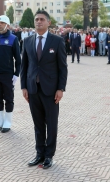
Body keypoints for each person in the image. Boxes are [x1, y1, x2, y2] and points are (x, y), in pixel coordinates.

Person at [20, 10, 68, 169]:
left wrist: (61, 88)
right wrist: (24, 87)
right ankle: (39, 154)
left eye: (42, 19)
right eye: (36, 19)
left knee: (51, 124)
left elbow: (63, 67)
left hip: (51, 90)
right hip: (33, 89)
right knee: (38, 124)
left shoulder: (57, 41)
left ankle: (49, 155)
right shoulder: (27, 41)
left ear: (48, 22)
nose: (38, 22)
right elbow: (24, 66)